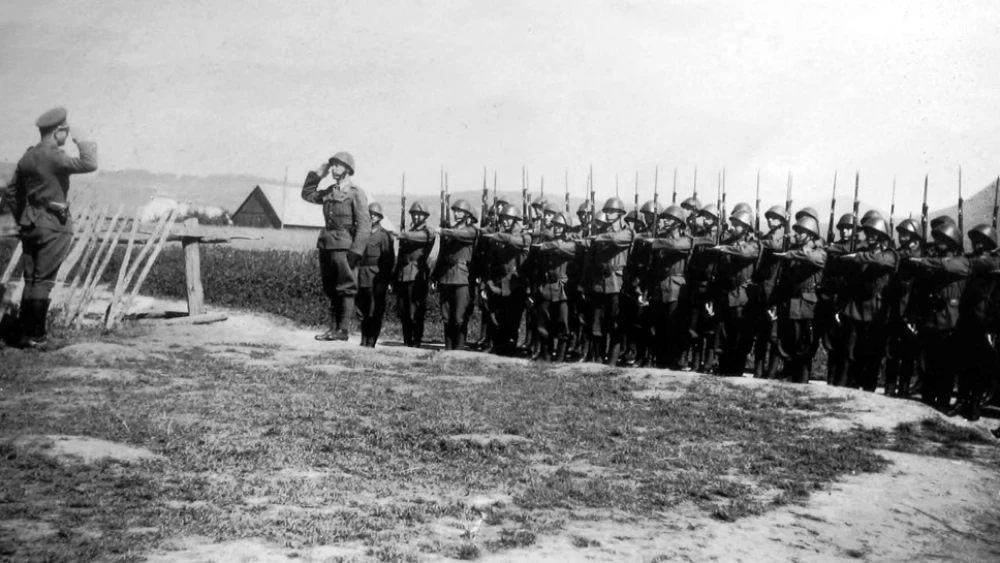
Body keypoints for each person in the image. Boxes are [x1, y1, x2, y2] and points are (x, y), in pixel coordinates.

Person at [6, 107, 97, 348]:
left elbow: (11, 191)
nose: (66, 137)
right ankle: (37, 336)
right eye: (65, 133)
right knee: (44, 281)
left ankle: (25, 334)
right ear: (58, 131)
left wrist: (23, 216)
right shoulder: (54, 155)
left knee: (31, 279)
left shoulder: (27, 156)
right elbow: (89, 163)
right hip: (53, 224)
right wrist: (83, 138)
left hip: (30, 224)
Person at [302, 151, 371, 341]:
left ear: (348, 169)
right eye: (331, 165)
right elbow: (307, 194)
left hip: (344, 247)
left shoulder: (356, 193)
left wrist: (356, 251)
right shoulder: (330, 191)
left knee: (346, 287)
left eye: (337, 165)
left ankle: (342, 330)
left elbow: (365, 226)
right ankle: (333, 329)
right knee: (331, 287)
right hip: (327, 244)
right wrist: (316, 175)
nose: (332, 168)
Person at [434, 199, 480, 351]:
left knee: (459, 316)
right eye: (455, 211)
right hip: (446, 276)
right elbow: (442, 254)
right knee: (446, 315)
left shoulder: (471, 230)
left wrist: (444, 231)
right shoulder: (450, 230)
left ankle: (459, 349)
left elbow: (461, 235)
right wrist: (435, 275)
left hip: (462, 277)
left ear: (468, 215)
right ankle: (448, 347)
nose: (456, 213)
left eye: (460, 211)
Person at [394, 202, 435, 348]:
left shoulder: (427, 231)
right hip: (403, 273)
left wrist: (403, 234)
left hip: (417, 274)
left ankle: (416, 340)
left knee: (415, 311)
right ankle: (407, 340)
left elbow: (423, 237)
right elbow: (401, 255)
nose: (416, 217)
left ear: (425, 216)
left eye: (419, 214)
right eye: (414, 214)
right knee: (403, 310)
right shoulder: (410, 231)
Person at [356, 202, 395, 348]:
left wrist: (386, 279)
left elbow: (389, 259)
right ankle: (363, 338)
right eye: (370, 214)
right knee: (362, 310)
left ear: (380, 217)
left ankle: (371, 340)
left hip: (376, 276)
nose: (372, 217)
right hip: (362, 275)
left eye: (375, 215)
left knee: (375, 310)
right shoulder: (362, 233)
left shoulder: (384, 236)